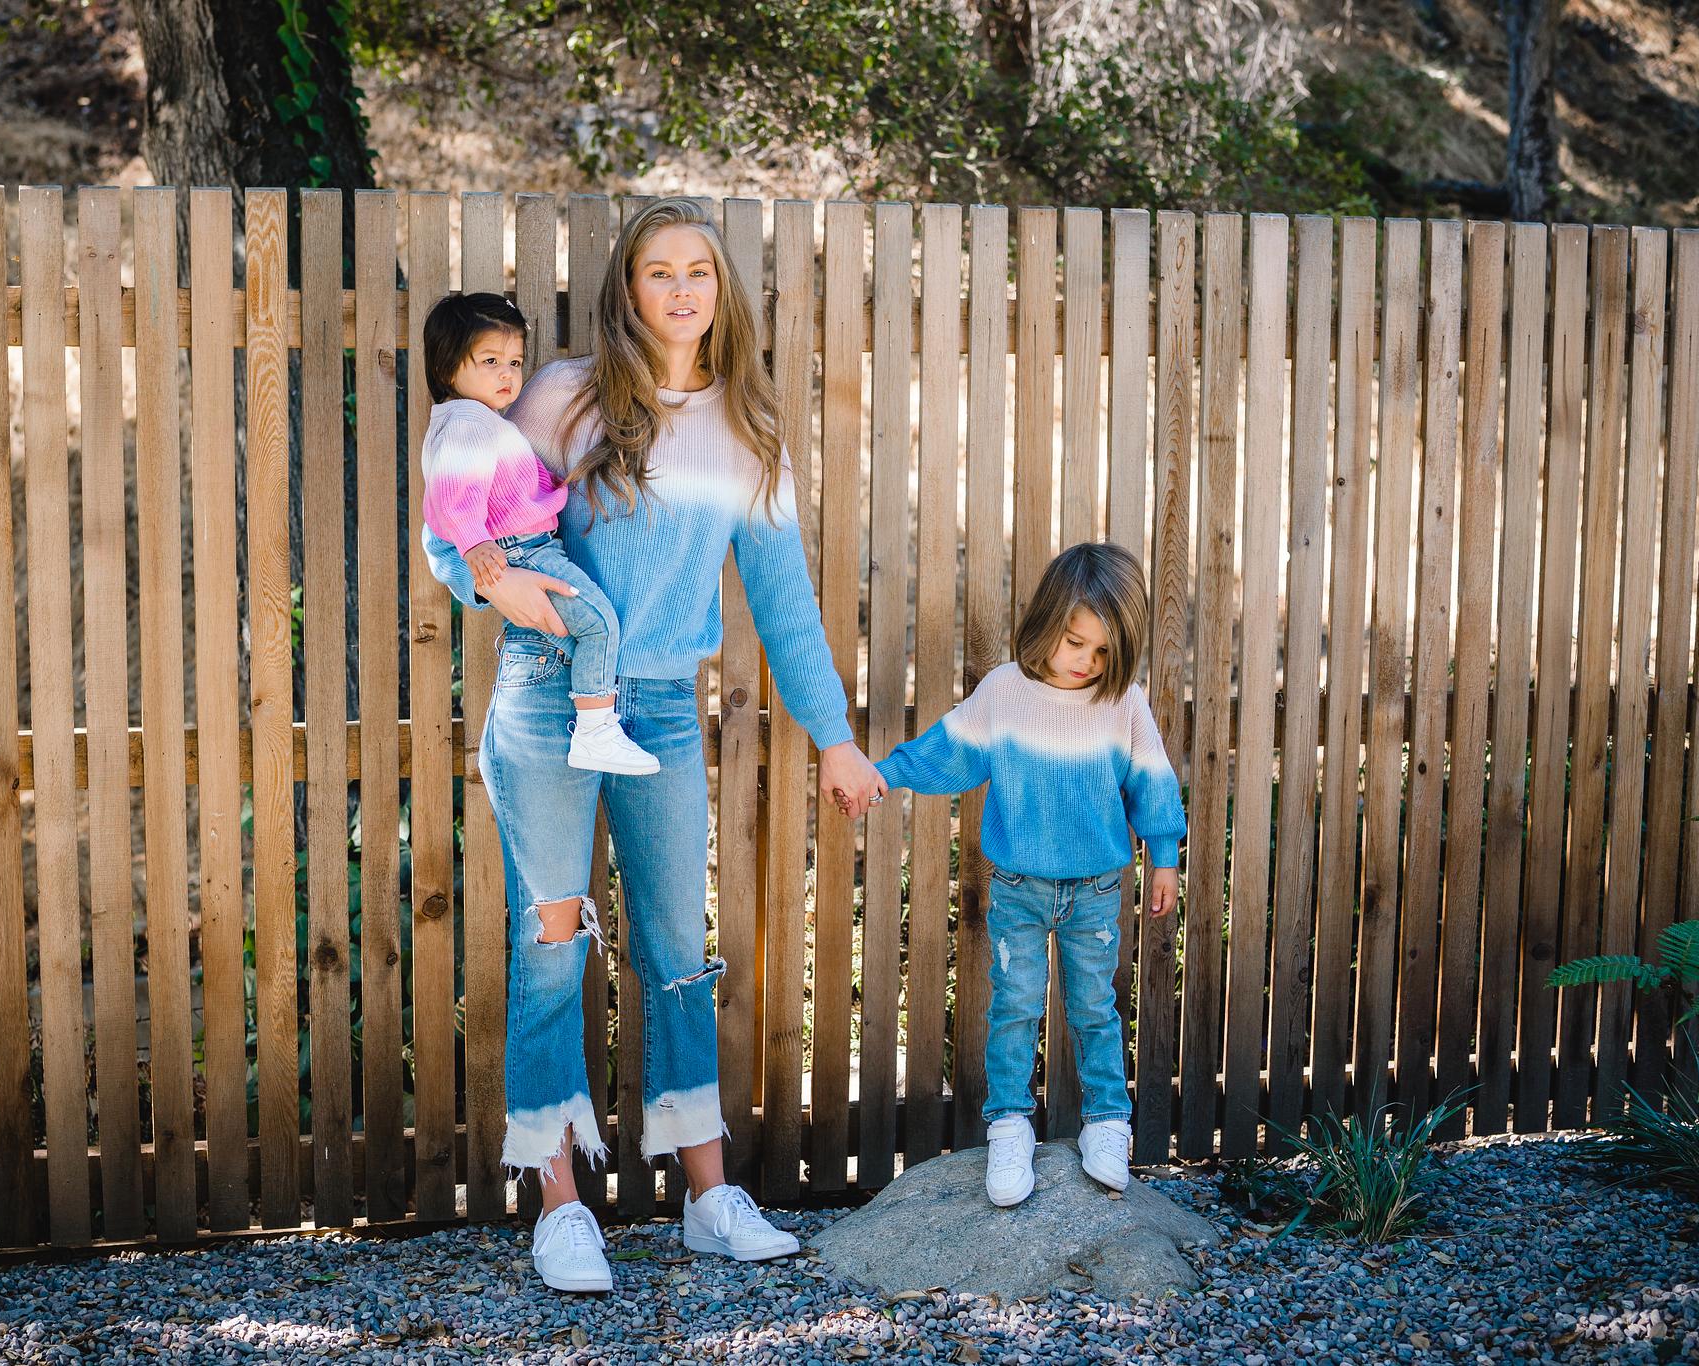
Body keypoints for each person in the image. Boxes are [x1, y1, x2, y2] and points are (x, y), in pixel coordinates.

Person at [422, 198, 887, 1292]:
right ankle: (559, 1206)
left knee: (680, 944)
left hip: (665, 709)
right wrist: (517, 597)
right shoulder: (559, 395)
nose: (679, 289)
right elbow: (458, 530)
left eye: (698, 272)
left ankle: (708, 1197)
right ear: (625, 290)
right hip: (545, 695)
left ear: (719, 292)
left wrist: (835, 737)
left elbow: (785, 605)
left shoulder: (745, 428)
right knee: (549, 942)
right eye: (656, 272)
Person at [872, 542, 1185, 1207]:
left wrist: (1164, 856)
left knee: (1094, 1008)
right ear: (1047, 622)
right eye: (1076, 642)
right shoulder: (1004, 693)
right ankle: (1009, 1123)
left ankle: (1107, 1120)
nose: (1086, 662)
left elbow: (1152, 782)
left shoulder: (1121, 702)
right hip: (1019, 887)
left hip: (1096, 889)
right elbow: (948, 749)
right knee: (1014, 1005)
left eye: (1102, 652)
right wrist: (886, 774)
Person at [419, 291, 659, 775]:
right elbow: (451, 492)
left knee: (576, 631)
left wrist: (551, 485)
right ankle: (596, 730)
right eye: (490, 361)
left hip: (525, 548)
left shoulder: (484, 421)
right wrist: (474, 543)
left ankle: (595, 723)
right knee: (598, 622)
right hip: (520, 552)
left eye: (514, 361)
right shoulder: (467, 422)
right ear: (448, 369)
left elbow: (507, 486)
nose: (507, 374)